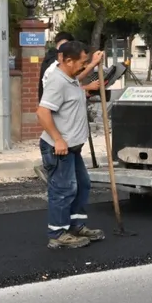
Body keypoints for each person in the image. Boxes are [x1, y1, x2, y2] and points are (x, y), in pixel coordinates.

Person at [36, 40, 106, 250]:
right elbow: (42, 112)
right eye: (81, 62)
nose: (83, 66)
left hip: (73, 147)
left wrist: (93, 64)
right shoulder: (57, 82)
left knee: (82, 185)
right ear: (66, 60)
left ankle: (75, 226)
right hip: (59, 148)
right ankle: (57, 233)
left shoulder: (70, 77)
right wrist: (58, 139)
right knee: (63, 189)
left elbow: (78, 79)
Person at [39, 32, 104, 100]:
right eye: (83, 63)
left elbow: (71, 83)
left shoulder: (57, 64)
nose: (85, 66)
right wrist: (87, 87)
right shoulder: (54, 69)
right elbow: (63, 90)